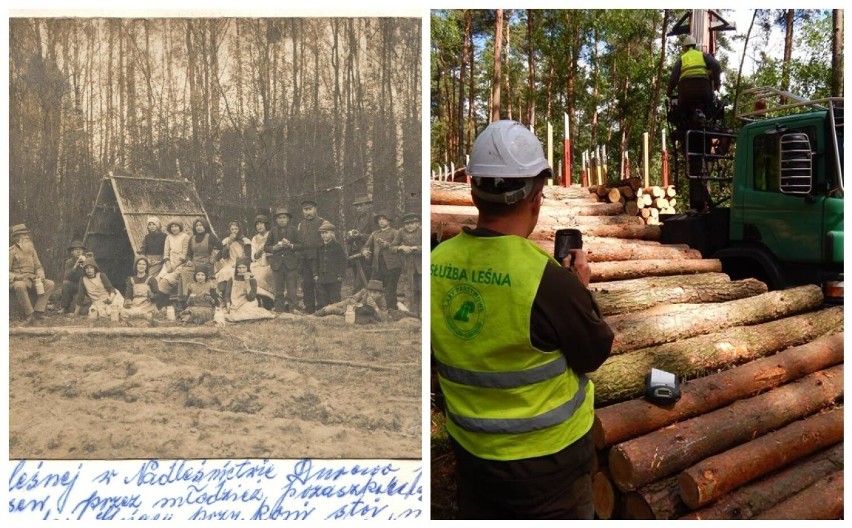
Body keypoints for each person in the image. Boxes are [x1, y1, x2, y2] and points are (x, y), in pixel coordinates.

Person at [430, 120, 614, 519]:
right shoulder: (547, 280)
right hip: (550, 470)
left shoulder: (433, 266)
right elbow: (594, 351)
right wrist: (579, 289)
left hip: (474, 460)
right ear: (535, 197)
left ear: (475, 195)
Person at [9, 224, 56, 325]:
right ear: (17, 238)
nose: (27, 237)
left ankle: (38, 313)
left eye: (27, 234)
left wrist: (40, 275)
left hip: (32, 279)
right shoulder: (11, 251)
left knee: (49, 284)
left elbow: (38, 267)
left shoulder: (31, 250)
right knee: (20, 286)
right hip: (17, 280)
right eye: (24, 235)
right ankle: (29, 315)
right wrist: (16, 277)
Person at [666, 34, 722, 115]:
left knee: (681, 113)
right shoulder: (703, 55)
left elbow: (673, 79)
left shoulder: (681, 59)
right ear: (695, 46)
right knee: (712, 108)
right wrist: (717, 84)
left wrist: (668, 92)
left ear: (685, 48)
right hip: (704, 92)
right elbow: (716, 65)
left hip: (685, 94)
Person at [361, 212, 402, 311]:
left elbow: (399, 247)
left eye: (384, 218)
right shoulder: (375, 234)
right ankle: (372, 310)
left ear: (389, 220)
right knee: (373, 288)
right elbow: (366, 245)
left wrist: (388, 245)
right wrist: (365, 251)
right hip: (377, 266)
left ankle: (390, 311)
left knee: (390, 290)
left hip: (392, 266)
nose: (381, 221)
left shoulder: (395, 232)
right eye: (379, 219)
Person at [266, 207, 301, 313]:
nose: (282, 220)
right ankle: (279, 309)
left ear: (288, 219)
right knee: (278, 289)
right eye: (279, 218)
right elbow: (266, 246)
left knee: (292, 289)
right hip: (277, 264)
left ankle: (293, 309)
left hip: (291, 264)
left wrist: (290, 245)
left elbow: (301, 245)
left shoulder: (294, 230)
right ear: (276, 220)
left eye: (284, 217)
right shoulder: (272, 230)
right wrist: (273, 248)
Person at [220, 257, 275, 323]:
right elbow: (227, 294)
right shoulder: (232, 279)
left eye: (244, 268)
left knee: (249, 311)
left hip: (247, 302)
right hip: (235, 303)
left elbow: (251, 298)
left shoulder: (252, 280)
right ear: (236, 269)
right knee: (233, 314)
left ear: (247, 269)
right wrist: (228, 305)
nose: (241, 270)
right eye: (239, 268)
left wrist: (247, 282)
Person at [296, 199, 327, 314]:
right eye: (305, 210)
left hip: (318, 259)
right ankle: (309, 309)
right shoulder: (301, 224)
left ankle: (321, 309)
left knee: (319, 284)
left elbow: (327, 240)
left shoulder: (322, 222)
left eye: (310, 209)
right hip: (305, 259)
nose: (307, 212)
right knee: (307, 284)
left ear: (315, 209)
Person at [313, 279, 387, 323]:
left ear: (380, 294)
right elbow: (352, 298)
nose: (372, 294)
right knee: (328, 307)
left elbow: (383, 318)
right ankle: (312, 316)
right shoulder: (364, 292)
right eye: (370, 291)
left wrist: (375, 307)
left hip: (352, 312)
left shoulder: (382, 301)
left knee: (330, 310)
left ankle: (313, 317)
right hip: (347, 304)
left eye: (375, 293)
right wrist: (358, 304)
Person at [75, 254, 124, 320]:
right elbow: (80, 297)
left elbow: (111, 289)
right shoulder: (83, 279)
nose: (89, 270)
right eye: (86, 268)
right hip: (97, 301)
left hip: (110, 297)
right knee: (83, 311)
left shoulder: (101, 275)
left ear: (95, 268)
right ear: (84, 269)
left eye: (91, 267)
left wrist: (110, 299)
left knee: (110, 311)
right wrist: (76, 314)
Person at [391, 212, 421, 316]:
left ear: (417, 223)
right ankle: (414, 314)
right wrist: (401, 247)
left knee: (423, 288)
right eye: (407, 224)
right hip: (409, 266)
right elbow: (392, 247)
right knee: (412, 290)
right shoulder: (401, 232)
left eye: (412, 223)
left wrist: (416, 248)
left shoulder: (423, 231)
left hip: (423, 264)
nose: (409, 226)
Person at [345, 193, 375, 292]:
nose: (359, 208)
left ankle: (357, 303)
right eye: (357, 206)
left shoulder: (373, 218)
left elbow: (375, 236)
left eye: (361, 205)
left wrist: (360, 236)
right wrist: (351, 235)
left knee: (361, 282)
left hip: (367, 254)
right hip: (356, 254)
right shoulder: (357, 218)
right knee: (358, 279)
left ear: (368, 205)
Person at [314, 221, 347, 310]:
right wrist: (316, 274)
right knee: (322, 297)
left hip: (334, 277)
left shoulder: (337, 247)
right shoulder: (319, 247)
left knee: (334, 297)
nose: (324, 235)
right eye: (322, 233)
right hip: (322, 277)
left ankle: (335, 313)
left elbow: (343, 262)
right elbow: (316, 262)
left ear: (332, 233)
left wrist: (340, 275)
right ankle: (323, 313)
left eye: (326, 232)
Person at [120, 256, 162, 325]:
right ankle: (141, 322)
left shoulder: (151, 279)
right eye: (139, 264)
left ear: (146, 266)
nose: (141, 266)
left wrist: (152, 296)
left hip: (147, 305)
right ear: (136, 266)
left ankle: (135, 322)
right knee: (123, 312)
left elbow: (157, 295)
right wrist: (127, 301)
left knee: (146, 314)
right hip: (135, 305)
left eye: (144, 264)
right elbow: (128, 295)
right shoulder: (131, 280)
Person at [157, 219, 190, 296]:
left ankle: (168, 298)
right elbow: (166, 253)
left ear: (180, 227)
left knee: (168, 279)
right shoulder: (168, 237)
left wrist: (174, 266)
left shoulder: (185, 237)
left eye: (176, 226)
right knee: (158, 278)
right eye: (172, 227)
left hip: (180, 263)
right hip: (169, 262)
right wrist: (168, 265)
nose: (174, 228)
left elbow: (184, 254)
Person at [250, 214, 276, 310]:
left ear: (266, 225)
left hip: (270, 262)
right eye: (257, 224)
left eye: (261, 224)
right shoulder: (254, 238)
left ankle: (269, 300)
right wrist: (259, 251)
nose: (259, 226)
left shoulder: (271, 234)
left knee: (263, 275)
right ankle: (257, 300)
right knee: (251, 274)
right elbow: (254, 256)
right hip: (259, 262)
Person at [216, 220, 252, 286]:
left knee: (235, 272)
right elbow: (224, 256)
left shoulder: (245, 240)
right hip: (229, 263)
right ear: (229, 230)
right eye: (232, 229)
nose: (234, 231)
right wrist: (228, 244)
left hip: (242, 263)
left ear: (239, 229)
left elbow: (248, 256)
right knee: (222, 273)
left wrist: (238, 263)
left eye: (236, 229)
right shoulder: (226, 240)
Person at [60, 239, 87, 314]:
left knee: (76, 309)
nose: (78, 251)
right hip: (76, 286)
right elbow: (66, 276)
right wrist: (75, 266)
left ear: (83, 251)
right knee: (65, 284)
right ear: (72, 252)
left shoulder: (88, 260)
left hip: (86, 286)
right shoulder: (69, 262)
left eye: (80, 249)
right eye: (76, 250)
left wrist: (86, 264)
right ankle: (65, 307)